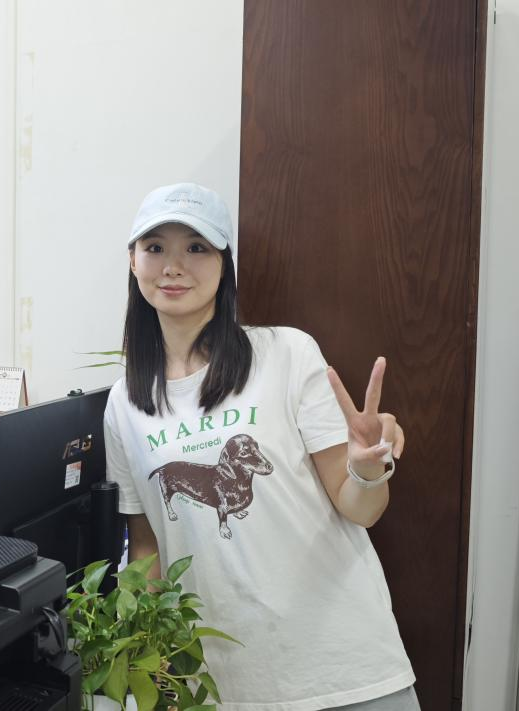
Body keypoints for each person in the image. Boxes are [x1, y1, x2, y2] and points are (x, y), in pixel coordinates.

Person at [104, 183, 418, 710]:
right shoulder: (125, 403)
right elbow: (148, 548)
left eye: (196, 247)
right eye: (155, 247)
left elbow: (361, 509)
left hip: (346, 670)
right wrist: (137, 661)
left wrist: (367, 468)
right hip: (225, 684)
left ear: (224, 263)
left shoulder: (286, 353)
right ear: (133, 261)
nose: (173, 266)